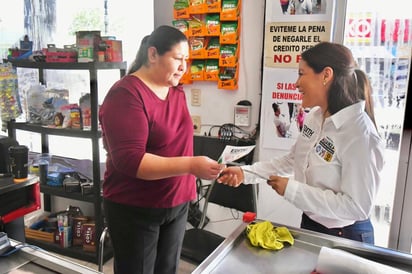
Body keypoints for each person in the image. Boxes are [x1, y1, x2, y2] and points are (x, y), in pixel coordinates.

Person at [217, 42, 385, 244]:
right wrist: (246, 173)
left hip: (346, 236)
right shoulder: (315, 117)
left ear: (326, 75)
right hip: (311, 224)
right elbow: (292, 160)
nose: (296, 83)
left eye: (301, 73)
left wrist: (293, 190)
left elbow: (357, 206)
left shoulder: (359, 135)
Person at [99, 25, 223, 274]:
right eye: (177, 59)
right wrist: (190, 165)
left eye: (186, 60)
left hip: (176, 202)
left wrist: (209, 166)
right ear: (153, 54)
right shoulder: (126, 94)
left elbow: (176, 142)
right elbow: (131, 161)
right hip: (136, 207)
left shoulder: (176, 91)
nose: (183, 67)